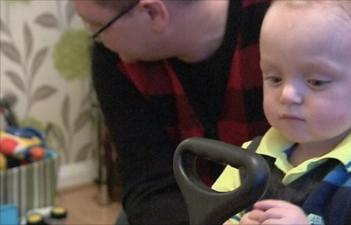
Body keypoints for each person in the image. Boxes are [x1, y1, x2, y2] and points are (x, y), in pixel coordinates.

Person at [72, 0, 271, 224]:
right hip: (186, 209)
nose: (98, 39)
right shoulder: (114, 59)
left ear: (153, 13)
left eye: (97, 26)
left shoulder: (281, 24)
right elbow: (148, 183)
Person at [212, 1, 351, 224]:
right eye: (275, 78)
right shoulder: (247, 160)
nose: (288, 95)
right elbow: (212, 214)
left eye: (316, 81)